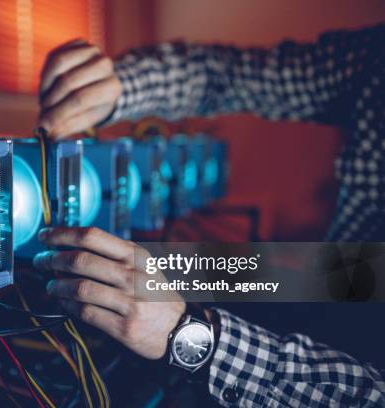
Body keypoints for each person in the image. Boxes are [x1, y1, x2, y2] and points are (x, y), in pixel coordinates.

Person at [33, 24, 385, 406]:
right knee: (194, 266)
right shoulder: (375, 58)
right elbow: (225, 75)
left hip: (345, 353)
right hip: (344, 279)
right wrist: (118, 86)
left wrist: (189, 335)